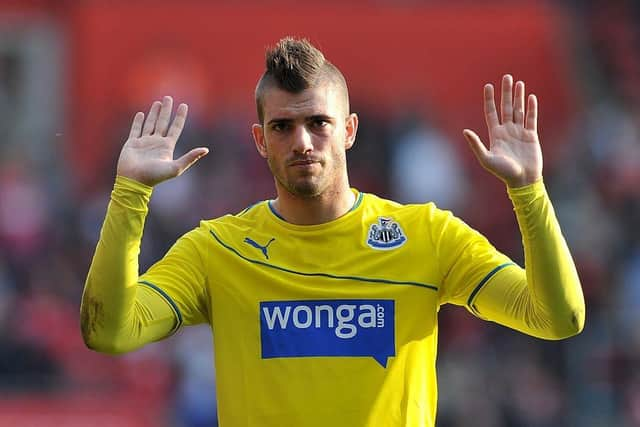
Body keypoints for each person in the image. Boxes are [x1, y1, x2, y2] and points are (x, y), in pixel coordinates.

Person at [80, 37, 585, 427]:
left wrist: (529, 191)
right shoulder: (216, 250)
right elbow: (109, 332)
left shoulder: (427, 236)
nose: (302, 142)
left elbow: (557, 317)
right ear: (260, 139)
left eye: (319, 122)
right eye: (282, 127)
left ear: (349, 130)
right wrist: (130, 194)